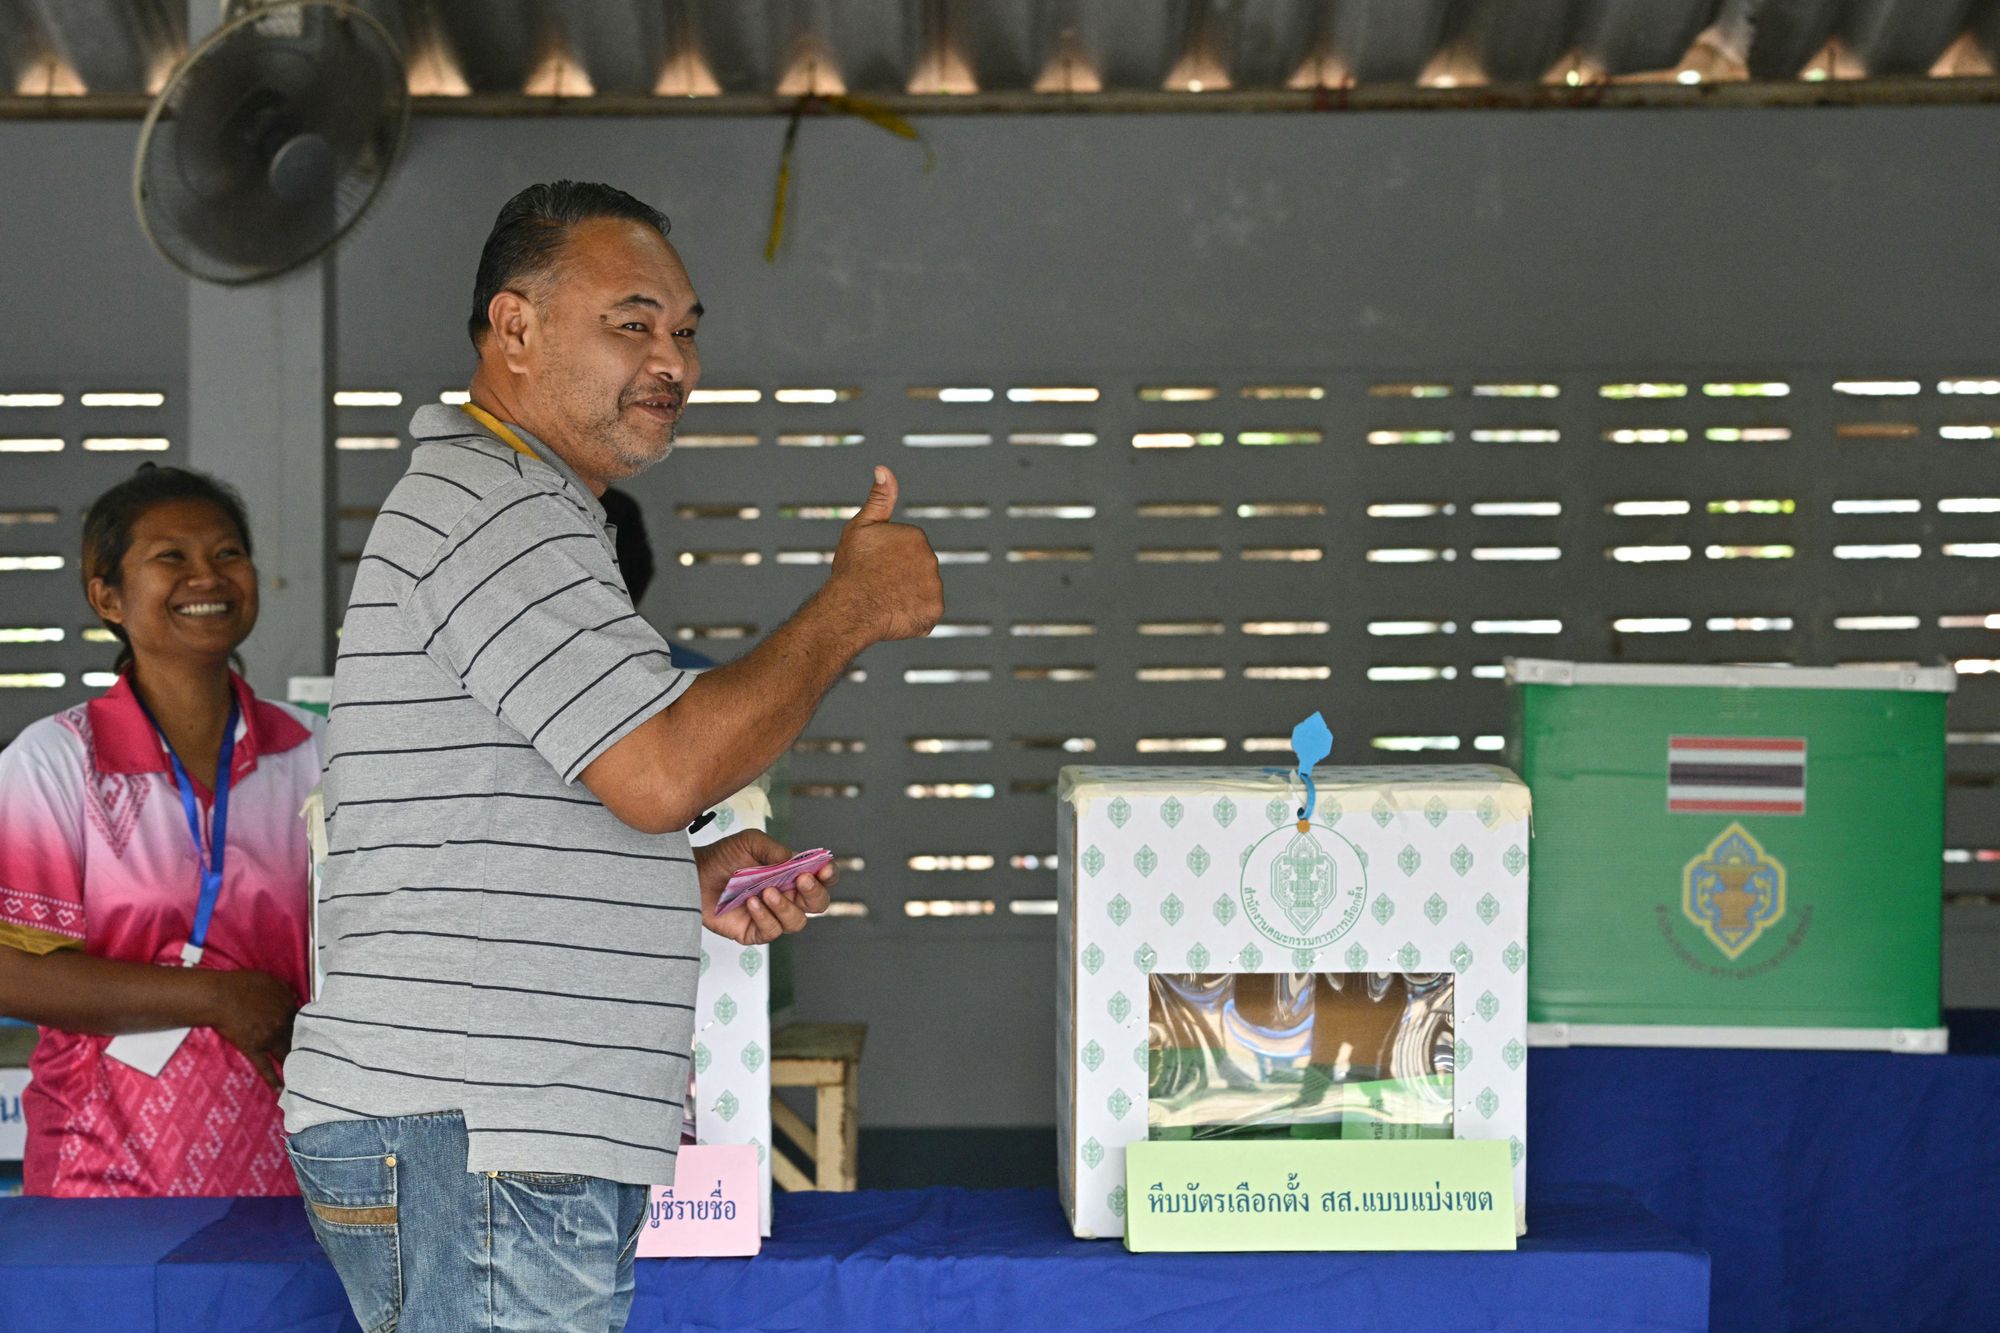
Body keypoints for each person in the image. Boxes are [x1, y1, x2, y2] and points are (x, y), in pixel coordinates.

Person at [282, 180, 942, 1332]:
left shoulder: (525, 506)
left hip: (482, 1133)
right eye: (630, 322)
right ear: (517, 329)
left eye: (685, 330)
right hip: (483, 1133)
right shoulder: (499, 508)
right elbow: (656, 773)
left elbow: (527, 809)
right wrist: (850, 608)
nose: (672, 361)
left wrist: (674, 885)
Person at [0, 465, 323, 1196]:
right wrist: (214, 996)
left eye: (227, 553)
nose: (206, 576)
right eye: (171, 556)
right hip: (105, 1170)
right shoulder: (58, 761)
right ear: (106, 595)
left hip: (298, 1166)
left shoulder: (315, 754)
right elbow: (10, 968)